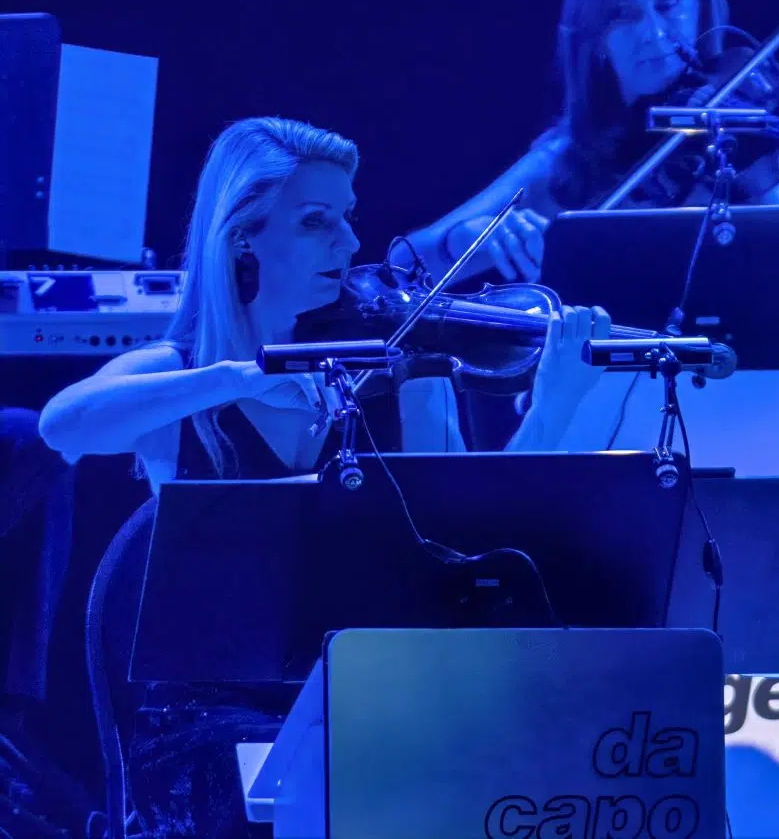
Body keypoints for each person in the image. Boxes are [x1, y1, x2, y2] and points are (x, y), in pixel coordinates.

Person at [35, 116, 608, 838]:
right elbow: (64, 426)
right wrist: (238, 376)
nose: (349, 244)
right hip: (208, 721)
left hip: (368, 697)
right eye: (316, 223)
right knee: (330, 781)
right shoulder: (184, 381)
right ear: (243, 235)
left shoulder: (399, 379)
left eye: (346, 218)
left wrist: (554, 406)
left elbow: (485, 542)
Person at [405, 0, 779, 284]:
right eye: (624, 14)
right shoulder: (567, 159)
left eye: (669, 3)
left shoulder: (747, 136)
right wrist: (470, 237)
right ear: (596, 37)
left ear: (698, 2)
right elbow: (406, 263)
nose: (654, 33)